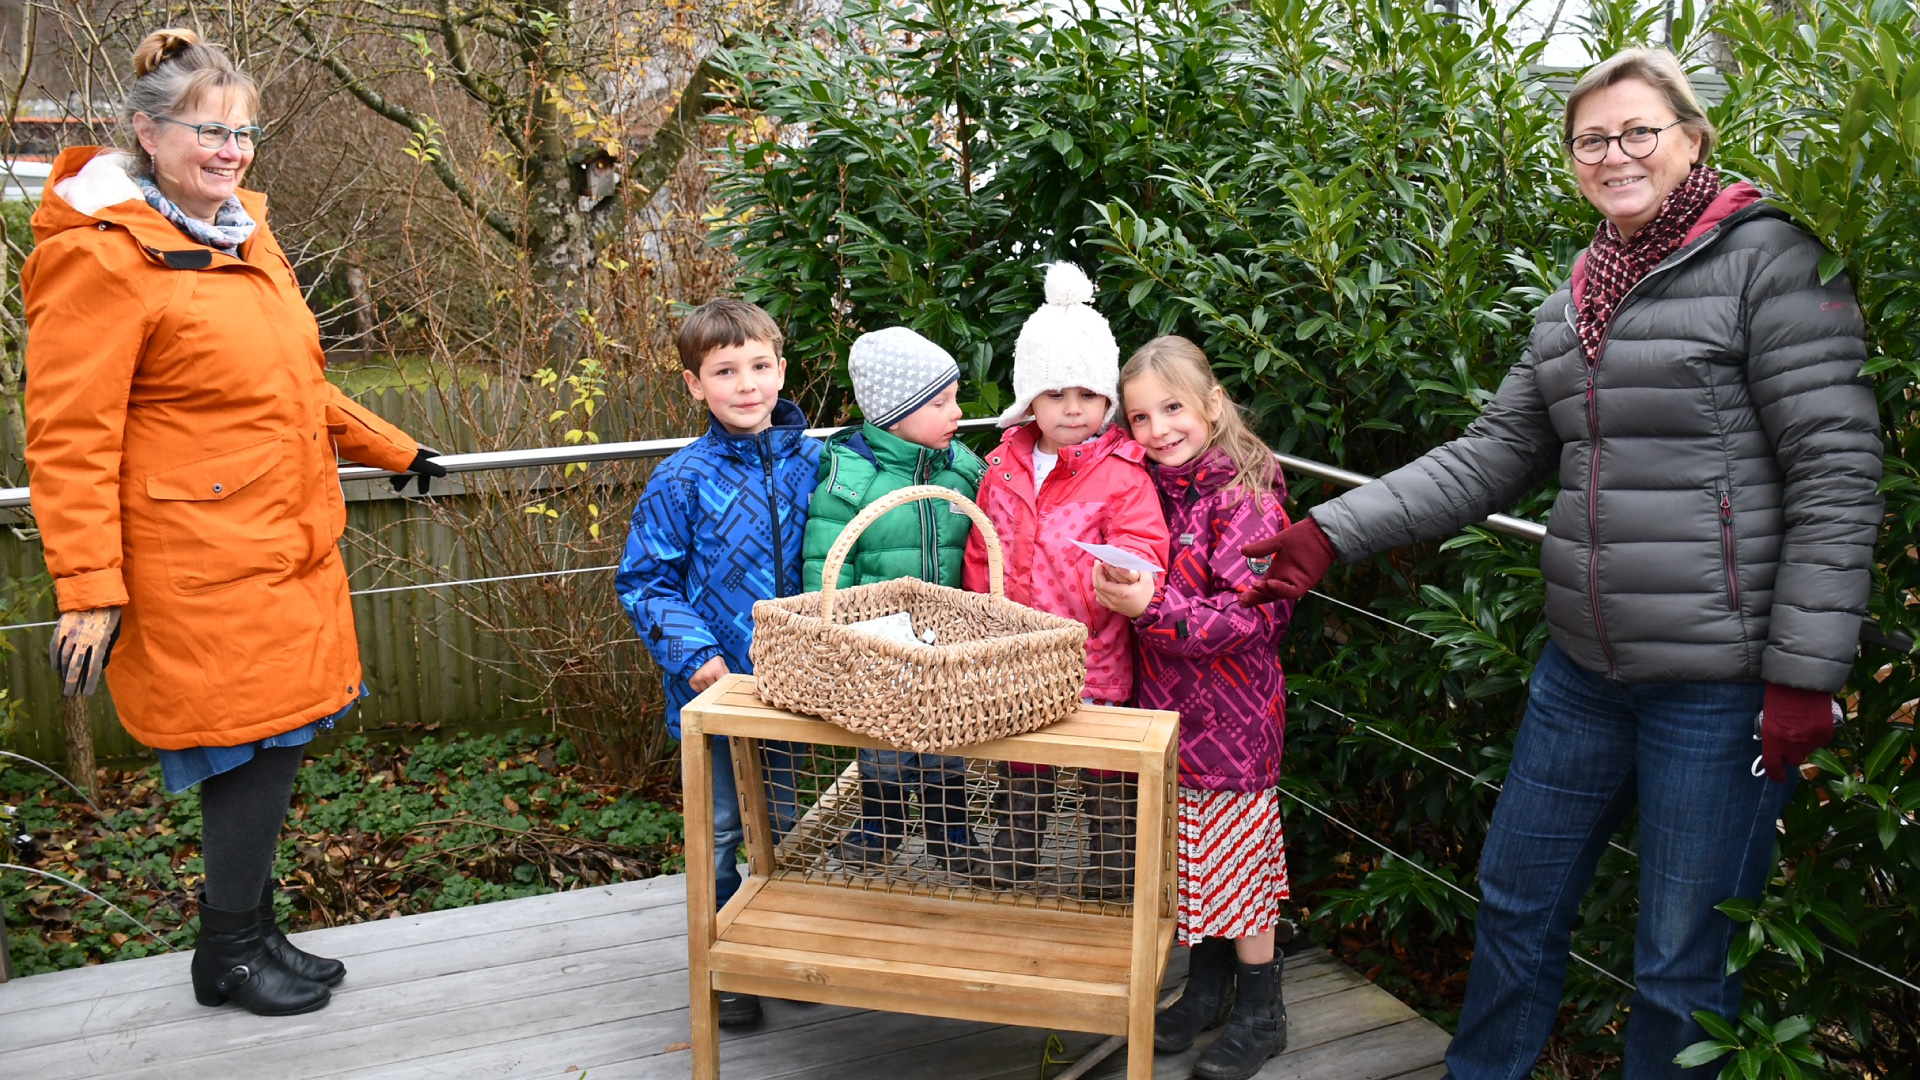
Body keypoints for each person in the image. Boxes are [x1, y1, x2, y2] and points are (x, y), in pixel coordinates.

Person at [1239, 48, 1882, 1080]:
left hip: (1719, 691)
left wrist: (1808, 674)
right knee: (1516, 904)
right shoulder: (1580, 292)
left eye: (1639, 132)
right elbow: (1492, 453)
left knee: (1680, 964)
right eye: (1593, 139)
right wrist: (1333, 530)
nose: (1615, 154)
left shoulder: (1777, 264)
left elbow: (1838, 472)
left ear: (1692, 137)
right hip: (1581, 675)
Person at [23, 29, 444, 1017]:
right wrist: (88, 589)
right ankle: (229, 952)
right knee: (246, 745)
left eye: (244, 131)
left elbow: (293, 387)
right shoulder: (102, 258)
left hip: (282, 543)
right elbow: (67, 441)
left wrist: (390, 446)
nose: (231, 149)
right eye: (208, 130)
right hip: (195, 562)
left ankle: (248, 936)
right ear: (146, 132)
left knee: (279, 739)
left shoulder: (244, 236)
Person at [615, 298, 819, 1028]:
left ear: (781, 370)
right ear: (696, 385)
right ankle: (724, 960)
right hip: (717, 694)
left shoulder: (816, 463)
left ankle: (777, 946)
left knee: (791, 823)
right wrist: (697, 656)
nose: (746, 384)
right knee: (724, 828)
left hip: (798, 694)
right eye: (725, 371)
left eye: (759, 366)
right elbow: (645, 582)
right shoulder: (681, 479)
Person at [1094, 336, 1295, 1080]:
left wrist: (1154, 608)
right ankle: (1207, 990)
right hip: (1172, 716)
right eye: (1141, 417)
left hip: (1235, 724)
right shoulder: (1154, 487)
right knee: (1195, 864)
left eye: (1173, 408)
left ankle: (1262, 1010)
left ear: (1213, 404)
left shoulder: (1245, 497)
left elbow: (1259, 617)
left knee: (1238, 870)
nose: (1157, 430)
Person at [963, 261, 1170, 896]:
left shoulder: (1123, 474)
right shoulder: (1002, 468)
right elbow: (983, 548)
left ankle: (1110, 868)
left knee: (1103, 769)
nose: (1073, 408)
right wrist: (981, 618)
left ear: (1108, 399)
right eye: (1055, 395)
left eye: (1087, 394)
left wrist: (1121, 574)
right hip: (1019, 650)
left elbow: (1144, 543)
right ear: (1031, 400)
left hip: (1094, 652)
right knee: (1024, 761)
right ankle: (1018, 850)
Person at [801, 326, 985, 875]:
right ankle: (880, 822)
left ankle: (949, 828)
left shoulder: (962, 468)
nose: (957, 413)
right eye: (941, 402)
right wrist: (828, 632)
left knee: (946, 734)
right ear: (895, 414)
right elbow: (825, 563)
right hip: (875, 642)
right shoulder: (850, 479)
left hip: (950, 640)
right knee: (880, 738)